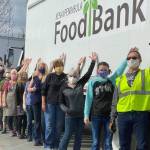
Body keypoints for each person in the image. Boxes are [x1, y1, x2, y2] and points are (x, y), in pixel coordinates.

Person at [84, 56, 127, 150]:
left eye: (105, 70)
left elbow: (119, 70)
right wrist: (86, 115)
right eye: (101, 70)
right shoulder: (92, 82)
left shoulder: (111, 80)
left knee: (108, 143)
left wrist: (127, 59)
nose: (103, 71)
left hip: (109, 117)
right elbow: (89, 99)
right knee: (95, 142)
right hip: (96, 116)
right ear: (97, 71)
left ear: (108, 71)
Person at [110, 47, 150, 150]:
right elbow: (115, 101)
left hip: (141, 114)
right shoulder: (120, 79)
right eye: (128, 58)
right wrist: (112, 118)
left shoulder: (147, 74)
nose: (131, 60)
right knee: (124, 145)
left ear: (140, 60)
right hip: (123, 115)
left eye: (134, 57)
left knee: (143, 145)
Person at [58, 52, 97, 150]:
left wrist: (93, 61)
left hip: (80, 116)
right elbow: (60, 102)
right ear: (68, 77)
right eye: (71, 76)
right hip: (69, 117)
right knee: (67, 136)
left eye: (75, 76)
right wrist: (67, 110)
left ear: (77, 76)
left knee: (79, 137)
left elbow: (88, 74)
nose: (72, 78)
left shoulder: (80, 84)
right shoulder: (63, 87)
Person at [42, 58, 67, 150]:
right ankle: (48, 145)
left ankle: (56, 145)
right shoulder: (50, 76)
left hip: (61, 105)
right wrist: (43, 103)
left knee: (59, 126)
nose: (59, 68)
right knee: (49, 125)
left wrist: (79, 65)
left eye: (61, 66)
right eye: (57, 66)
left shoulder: (66, 77)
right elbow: (43, 91)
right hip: (50, 104)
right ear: (54, 67)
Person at [3, 69, 18, 136]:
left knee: (16, 117)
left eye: (15, 73)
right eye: (12, 74)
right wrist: (4, 102)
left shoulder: (18, 82)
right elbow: (4, 93)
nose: (14, 75)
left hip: (16, 101)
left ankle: (16, 130)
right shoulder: (7, 83)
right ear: (10, 75)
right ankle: (12, 130)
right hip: (9, 102)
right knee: (9, 117)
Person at [16, 72, 28, 139]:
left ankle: (23, 132)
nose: (24, 76)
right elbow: (17, 95)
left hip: (27, 103)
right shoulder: (18, 84)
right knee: (20, 118)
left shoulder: (28, 83)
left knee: (25, 119)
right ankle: (19, 132)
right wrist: (17, 104)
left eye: (25, 75)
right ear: (20, 76)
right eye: (23, 75)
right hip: (20, 103)